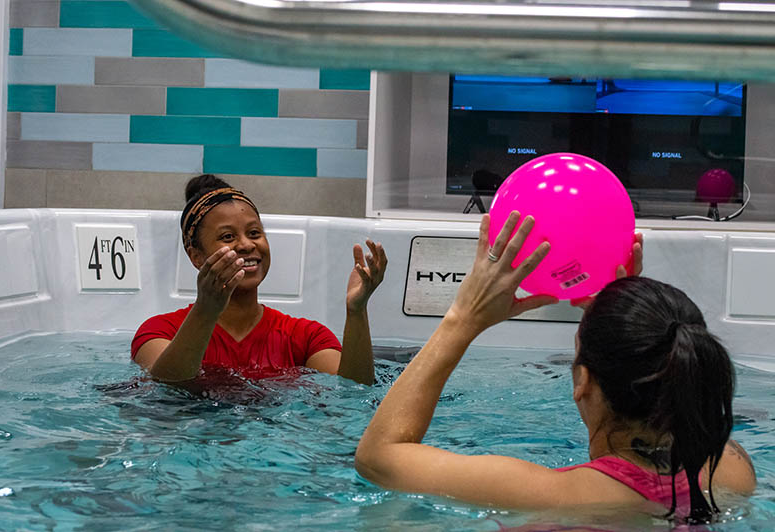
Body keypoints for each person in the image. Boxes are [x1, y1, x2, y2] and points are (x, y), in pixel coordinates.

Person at [355, 211, 756, 523]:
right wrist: (626, 311)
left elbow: (378, 457)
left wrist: (464, 316)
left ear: (583, 381)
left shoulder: (553, 497)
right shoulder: (730, 473)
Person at [132, 174, 387, 385]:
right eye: (228, 237)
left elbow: (353, 394)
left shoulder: (304, 337)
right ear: (196, 257)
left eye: (254, 233)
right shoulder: (160, 332)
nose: (246, 244)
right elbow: (166, 388)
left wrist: (357, 311)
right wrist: (206, 310)